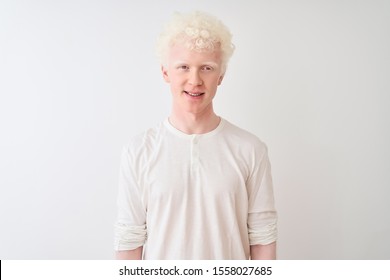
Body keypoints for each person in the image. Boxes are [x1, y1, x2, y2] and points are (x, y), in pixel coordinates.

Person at [114, 10, 277, 260]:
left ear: (220, 76)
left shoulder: (250, 149)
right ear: (166, 72)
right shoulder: (138, 151)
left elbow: (263, 236)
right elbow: (129, 237)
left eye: (207, 68)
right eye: (183, 67)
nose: (195, 80)